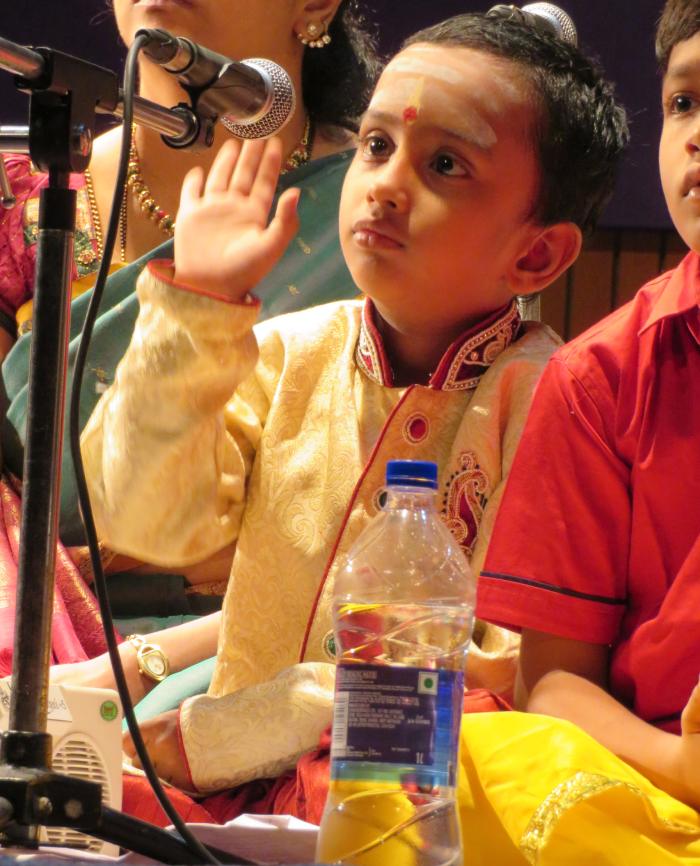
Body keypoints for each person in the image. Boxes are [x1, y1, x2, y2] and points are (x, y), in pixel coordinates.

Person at [78, 8, 628, 820]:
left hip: (414, 804)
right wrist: (196, 308)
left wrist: (218, 736)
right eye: (374, 145)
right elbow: (142, 518)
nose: (385, 184)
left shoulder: (552, 400)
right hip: (227, 798)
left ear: (537, 254)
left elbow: (492, 672)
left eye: (445, 163)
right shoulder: (283, 353)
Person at [0, 0, 380, 669]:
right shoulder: (28, 196)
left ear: (317, 5)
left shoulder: (381, 214)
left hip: (278, 652)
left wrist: (145, 665)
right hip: (32, 637)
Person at [461, 0, 700, 861]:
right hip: (662, 795)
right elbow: (555, 683)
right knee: (474, 759)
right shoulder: (599, 379)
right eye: (684, 103)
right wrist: (683, 766)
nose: (698, 136)